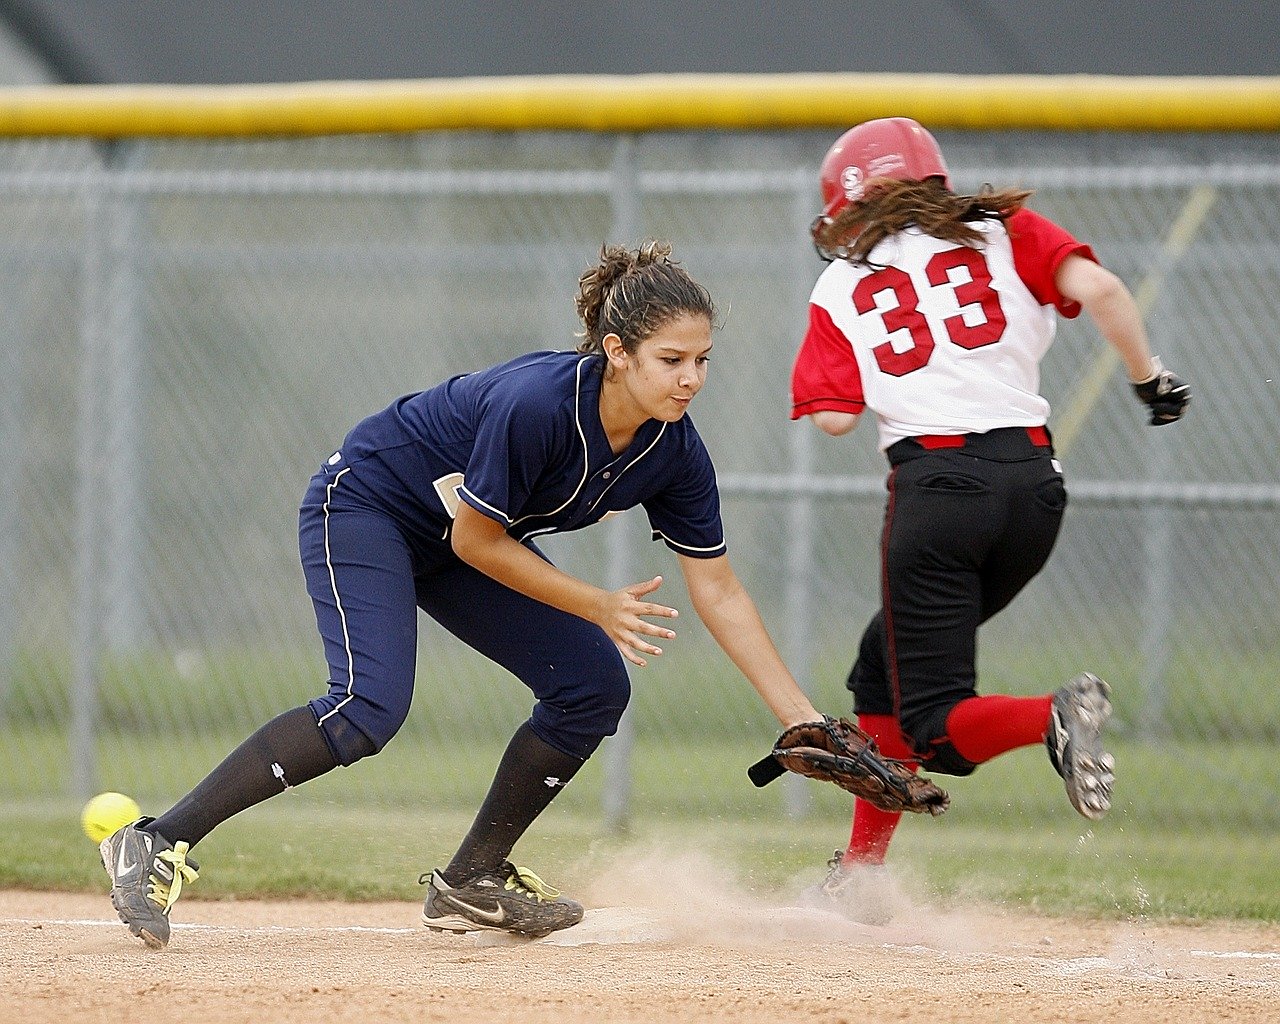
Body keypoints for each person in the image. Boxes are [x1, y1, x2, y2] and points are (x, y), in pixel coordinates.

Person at [100, 240, 848, 949]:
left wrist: (803, 721)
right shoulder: (541, 405)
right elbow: (476, 542)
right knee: (367, 708)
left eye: (703, 360)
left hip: (460, 536)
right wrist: (595, 603)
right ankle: (157, 839)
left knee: (590, 686)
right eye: (672, 359)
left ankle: (471, 878)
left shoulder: (673, 451)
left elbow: (718, 589)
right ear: (616, 353)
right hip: (369, 506)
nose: (691, 378)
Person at [789, 118, 1190, 920]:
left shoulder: (841, 285)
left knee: (933, 725)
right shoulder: (1004, 231)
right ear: (935, 179)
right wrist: (1149, 381)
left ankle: (1051, 715)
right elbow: (1106, 292)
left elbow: (832, 420)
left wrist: (895, 375)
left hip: (939, 492)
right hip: (1035, 491)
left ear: (852, 205)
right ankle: (864, 875)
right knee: (880, 671)